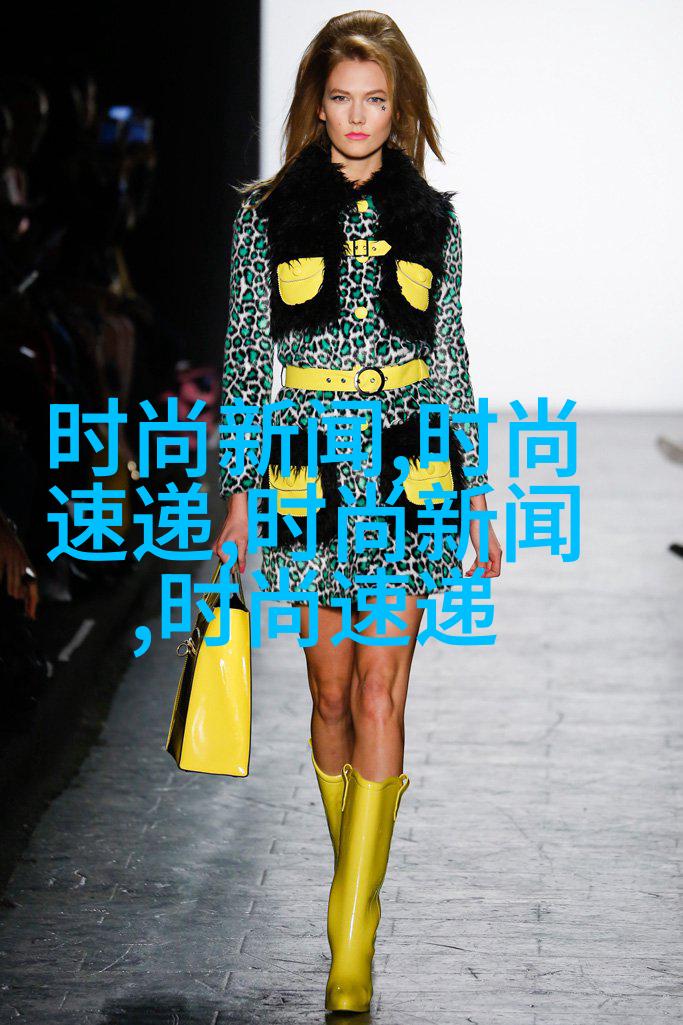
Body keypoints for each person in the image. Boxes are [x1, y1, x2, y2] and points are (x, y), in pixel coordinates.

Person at [213, 11, 503, 1013]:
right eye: (340, 98)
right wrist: (238, 497)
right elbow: (245, 365)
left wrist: (475, 491)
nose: (356, 116)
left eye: (374, 99)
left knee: (382, 693)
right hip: (304, 461)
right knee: (330, 694)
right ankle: (357, 879)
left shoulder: (432, 219)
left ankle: (350, 933)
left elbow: (451, 358)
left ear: (398, 107)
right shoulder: (265, 216)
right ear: (316, 104)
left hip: (411, 459)